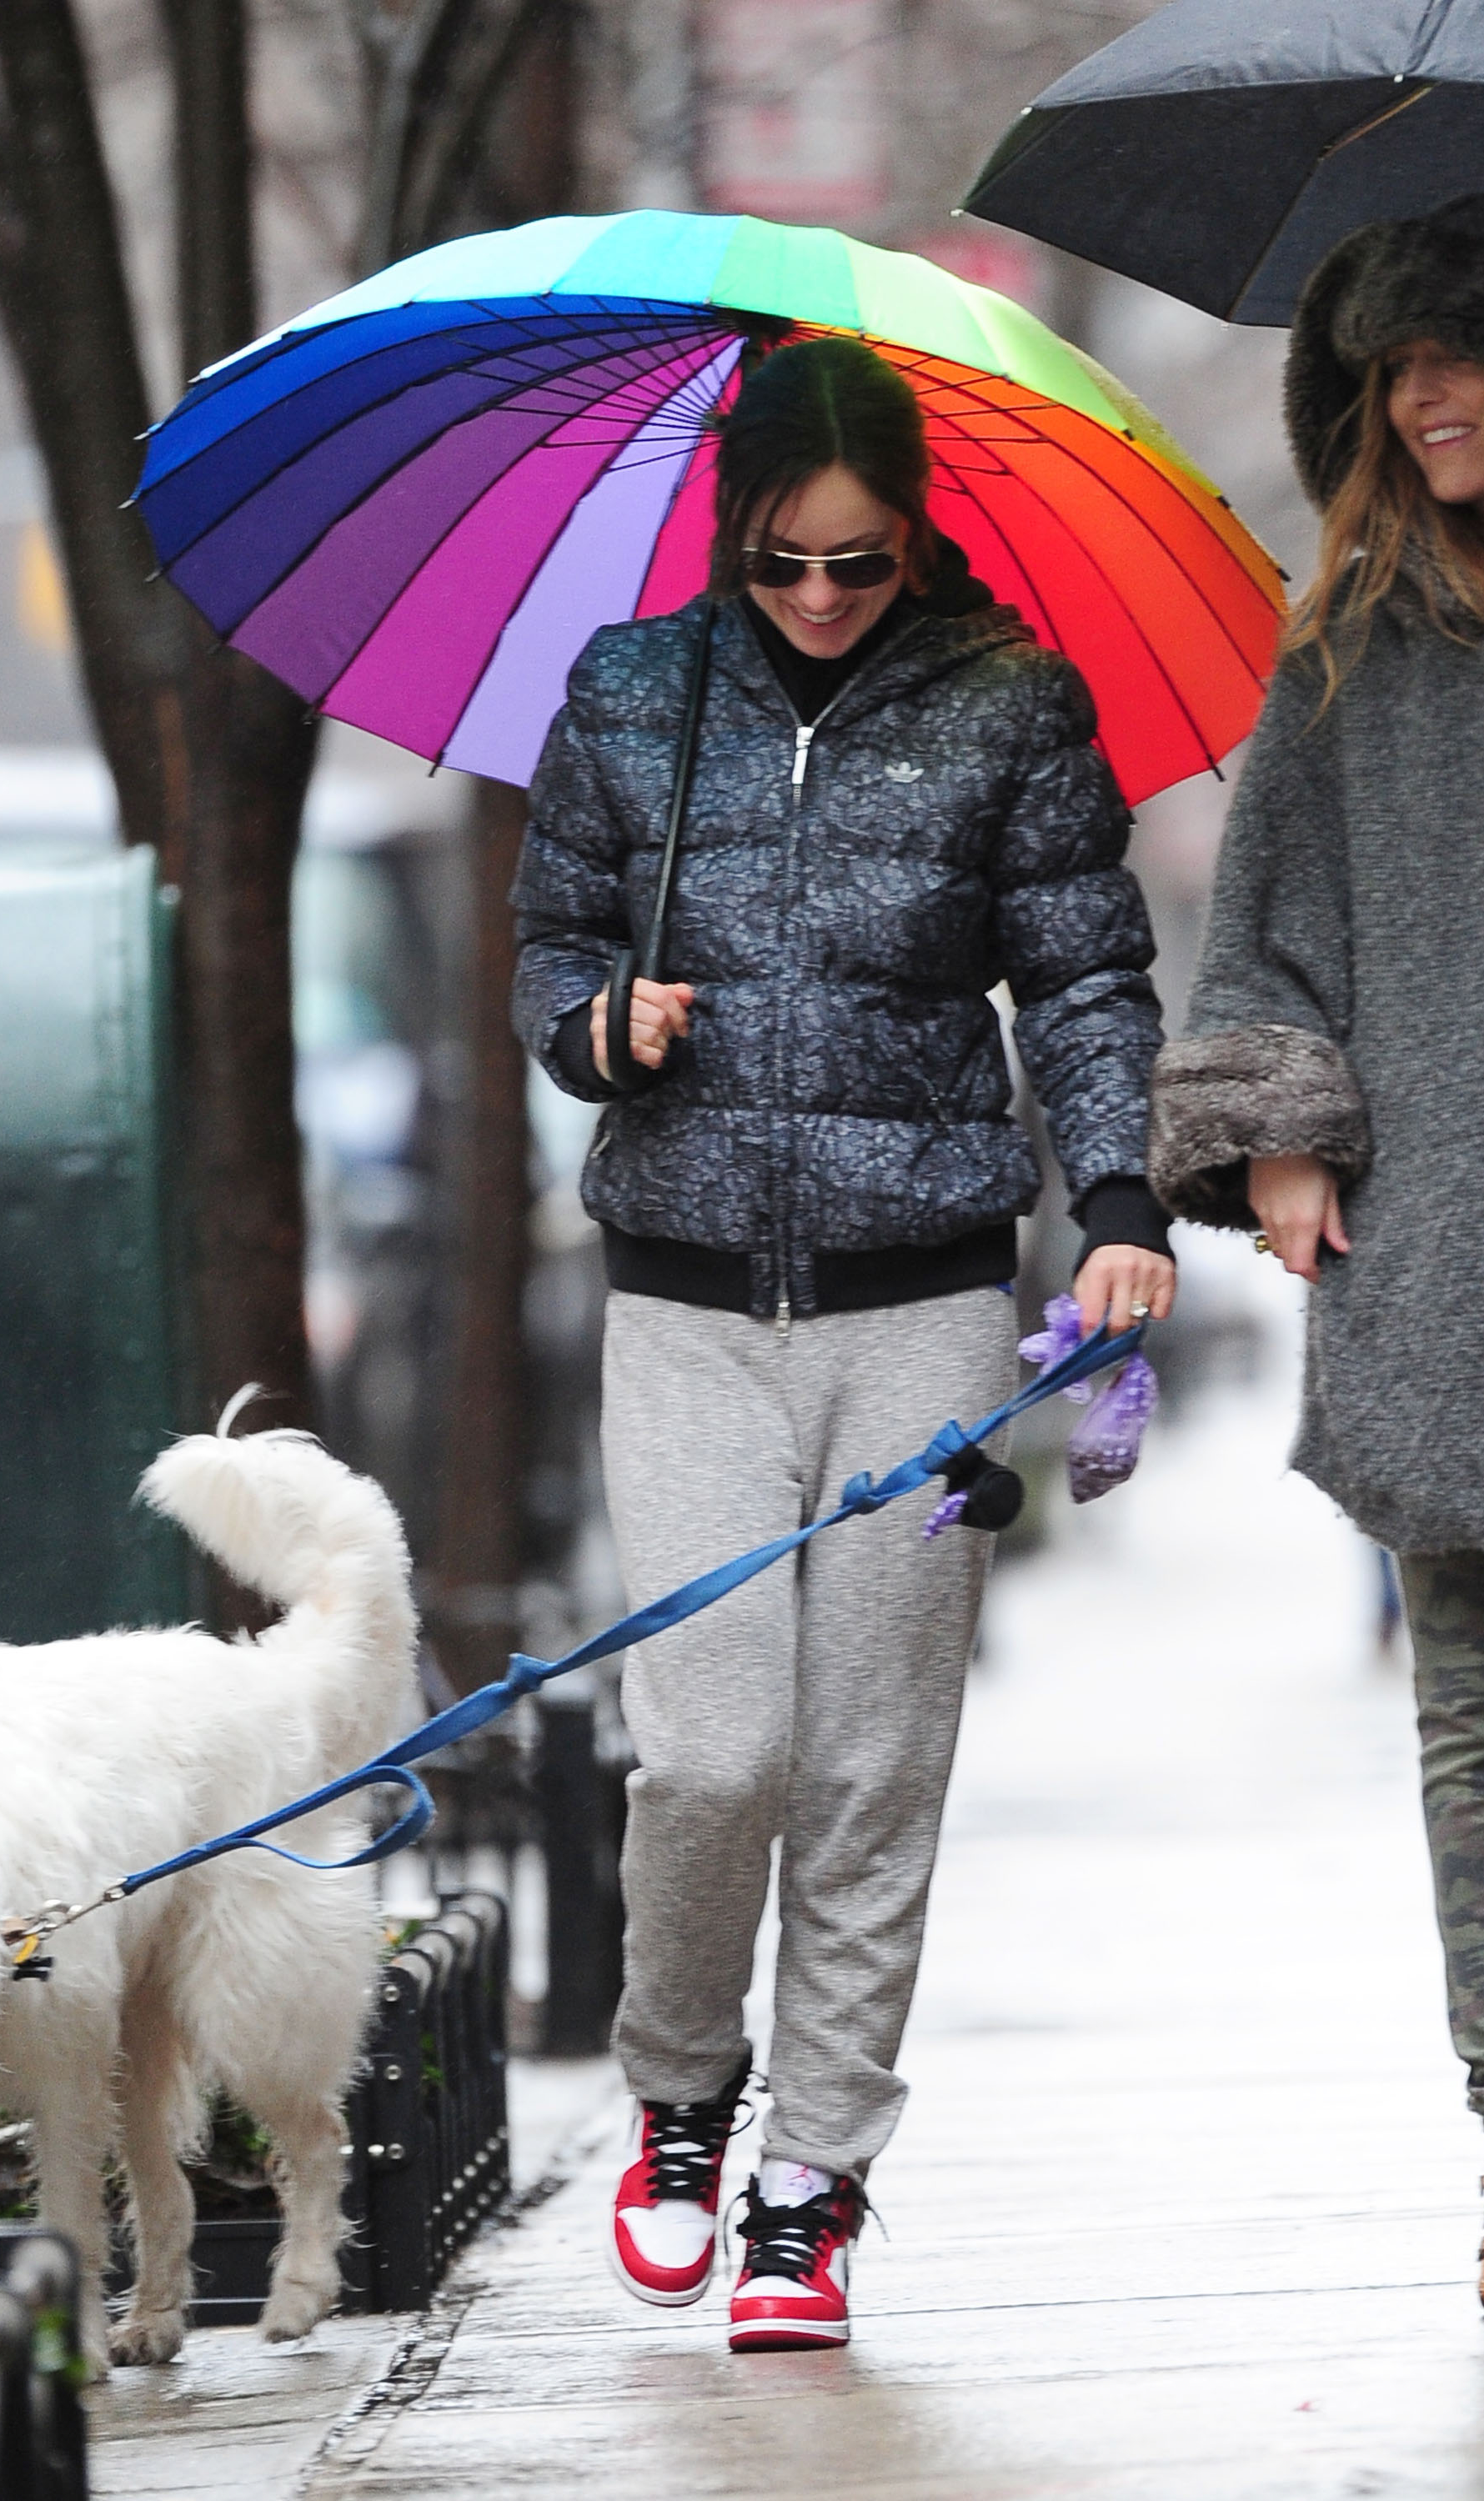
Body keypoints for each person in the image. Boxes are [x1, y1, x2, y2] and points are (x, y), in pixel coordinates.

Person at [511, 335, 1176, 2352]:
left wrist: (1123, 1204)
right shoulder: (636, 698)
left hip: (924, 1304)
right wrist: (594, 1028)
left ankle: (813, 2180)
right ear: (736, 539)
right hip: (687, 1301)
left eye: (859, 564)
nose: (818, 598)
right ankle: (682, 2098)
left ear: (916, 541)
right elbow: (546, 946)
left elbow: (1081, 975)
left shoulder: (1009, 704)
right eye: (786, 563)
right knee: (716, 1754)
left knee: (876, 1766)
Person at [1148, 197, 1484, 2274]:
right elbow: (1256, 934)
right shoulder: (1350, 657)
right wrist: (1274, 1139)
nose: (1430, 394)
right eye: (1396, 370)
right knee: (1468, 1715)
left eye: (1462, 350)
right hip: (1448, 1258)